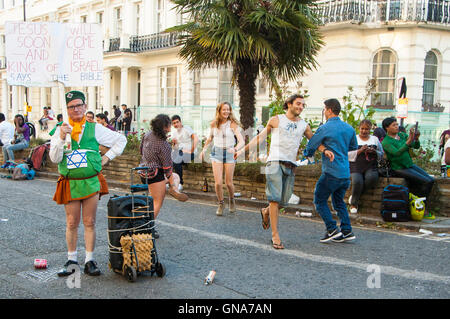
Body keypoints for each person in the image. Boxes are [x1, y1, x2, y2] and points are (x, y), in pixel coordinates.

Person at [49, 90, 127, 277]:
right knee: (71, 222)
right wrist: (60, 137)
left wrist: (107, 157)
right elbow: (54, 158)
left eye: (79, 105)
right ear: (67, 109)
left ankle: (89, 260)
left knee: (90, 221)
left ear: (85, 106)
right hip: (70, 182)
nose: (75, 109)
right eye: (71, 106)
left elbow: (121, 140)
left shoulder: (95, 128)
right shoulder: (60, 129)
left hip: (91, 181)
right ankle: (72, 260)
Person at [236, 94, 319, 249]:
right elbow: (260, 138)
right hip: (274, 162)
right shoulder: (276, 120)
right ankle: (275, 236)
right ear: (288, 104)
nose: (301, 107)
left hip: (291, 165)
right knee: (274, 199)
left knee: (284, 201)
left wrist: (325, 150)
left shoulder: (304, 125)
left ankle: (266, 211)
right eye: (298, 104)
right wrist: (242, 150)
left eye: (303, 105)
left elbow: (314, 141)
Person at [304, 98, 358, 243]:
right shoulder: (349, 128)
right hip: (345, 173)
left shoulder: (325, 128)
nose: (324, 112)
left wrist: (307, 155)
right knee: (339, 201)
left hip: (331, 172)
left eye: (324, 109)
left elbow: (311, 145)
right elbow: (353, 147)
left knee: (320, 200)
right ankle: (347, 231)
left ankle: (332, 229)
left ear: (329, 110)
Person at [139, 114, 188, 238]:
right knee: (157, 202)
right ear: (165, 127)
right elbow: (167, 167)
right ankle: (146, 228)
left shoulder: (147, 135)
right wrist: (169, 180)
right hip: (155, 174)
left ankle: (174, 188)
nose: (171, 127)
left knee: (176, 177)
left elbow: (141, 150)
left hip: (143, 171)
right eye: (169, 125)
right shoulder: (164, 144)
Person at [200, 102, 244, 217]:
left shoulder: (232, 124)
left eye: (228, 109)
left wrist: (235, 149)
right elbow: (210, 138)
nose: (226, 112)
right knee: (218, 183)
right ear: (219, 111)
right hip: (217, 153)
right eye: (224, 110)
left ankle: (232, 199)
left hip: (229, 153)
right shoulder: (214, 124)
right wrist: (204, 149)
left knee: (229, 183)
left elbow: (241, 141)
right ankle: (220, 203)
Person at [381, 117, 434, 208]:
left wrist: (416, 139)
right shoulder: (386, 142)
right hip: (399, 167)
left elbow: (415, 146)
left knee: (431, 180)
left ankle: (419, 203)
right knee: (426, 181)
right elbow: (397, 153)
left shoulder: (402, 135)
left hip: (409, 164)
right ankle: (419, 205)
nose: (397, 126)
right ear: (387, 128)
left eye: (397, 124)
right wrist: (408, 142)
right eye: (394, 125)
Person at [348, 120, 384, 214]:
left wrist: (374, 152)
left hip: (370, 165)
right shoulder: (353, 139)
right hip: (356, 165)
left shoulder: (374, 139)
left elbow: (382, 153)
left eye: (367, 129)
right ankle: (354, 204)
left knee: (372, 178)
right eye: (362, 129)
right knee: (357, 181)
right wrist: (360, 151)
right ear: (359, 128)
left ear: (370, 129)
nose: (364, 131)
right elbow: (347, 154)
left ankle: (355, 196)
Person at [171, 115, 198, 191]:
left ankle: (180, 184)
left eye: (177, 122)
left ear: (180, 122)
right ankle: (170, 182)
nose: (176, 124)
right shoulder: (174, 133)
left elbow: (196, 138)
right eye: (174, 123)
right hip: (181, 152)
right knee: (169, 160)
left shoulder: (186, 128)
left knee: (177, 161)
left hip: (191, 153)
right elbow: (175, 148)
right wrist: (174, 144)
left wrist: (191, 151)